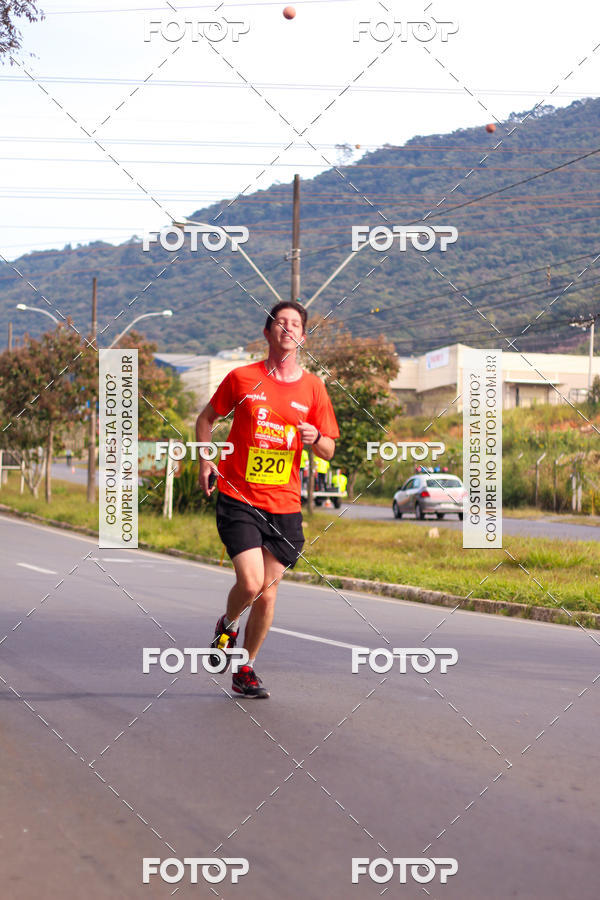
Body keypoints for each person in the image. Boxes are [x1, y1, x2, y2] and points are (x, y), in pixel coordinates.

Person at [196, 301, 339, 698]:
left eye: (295, 324)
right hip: (239, 495)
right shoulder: (241, 378)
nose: (288, 328)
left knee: (269, 592)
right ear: (268, 332)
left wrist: (315, 439)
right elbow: (206, 420)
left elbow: (328, 449)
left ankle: (245, 668)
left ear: (303, 337)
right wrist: (206, 460)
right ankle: (227, 624)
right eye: (280, 322)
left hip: (284, 504)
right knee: (251, 581)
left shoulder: (314, 387)